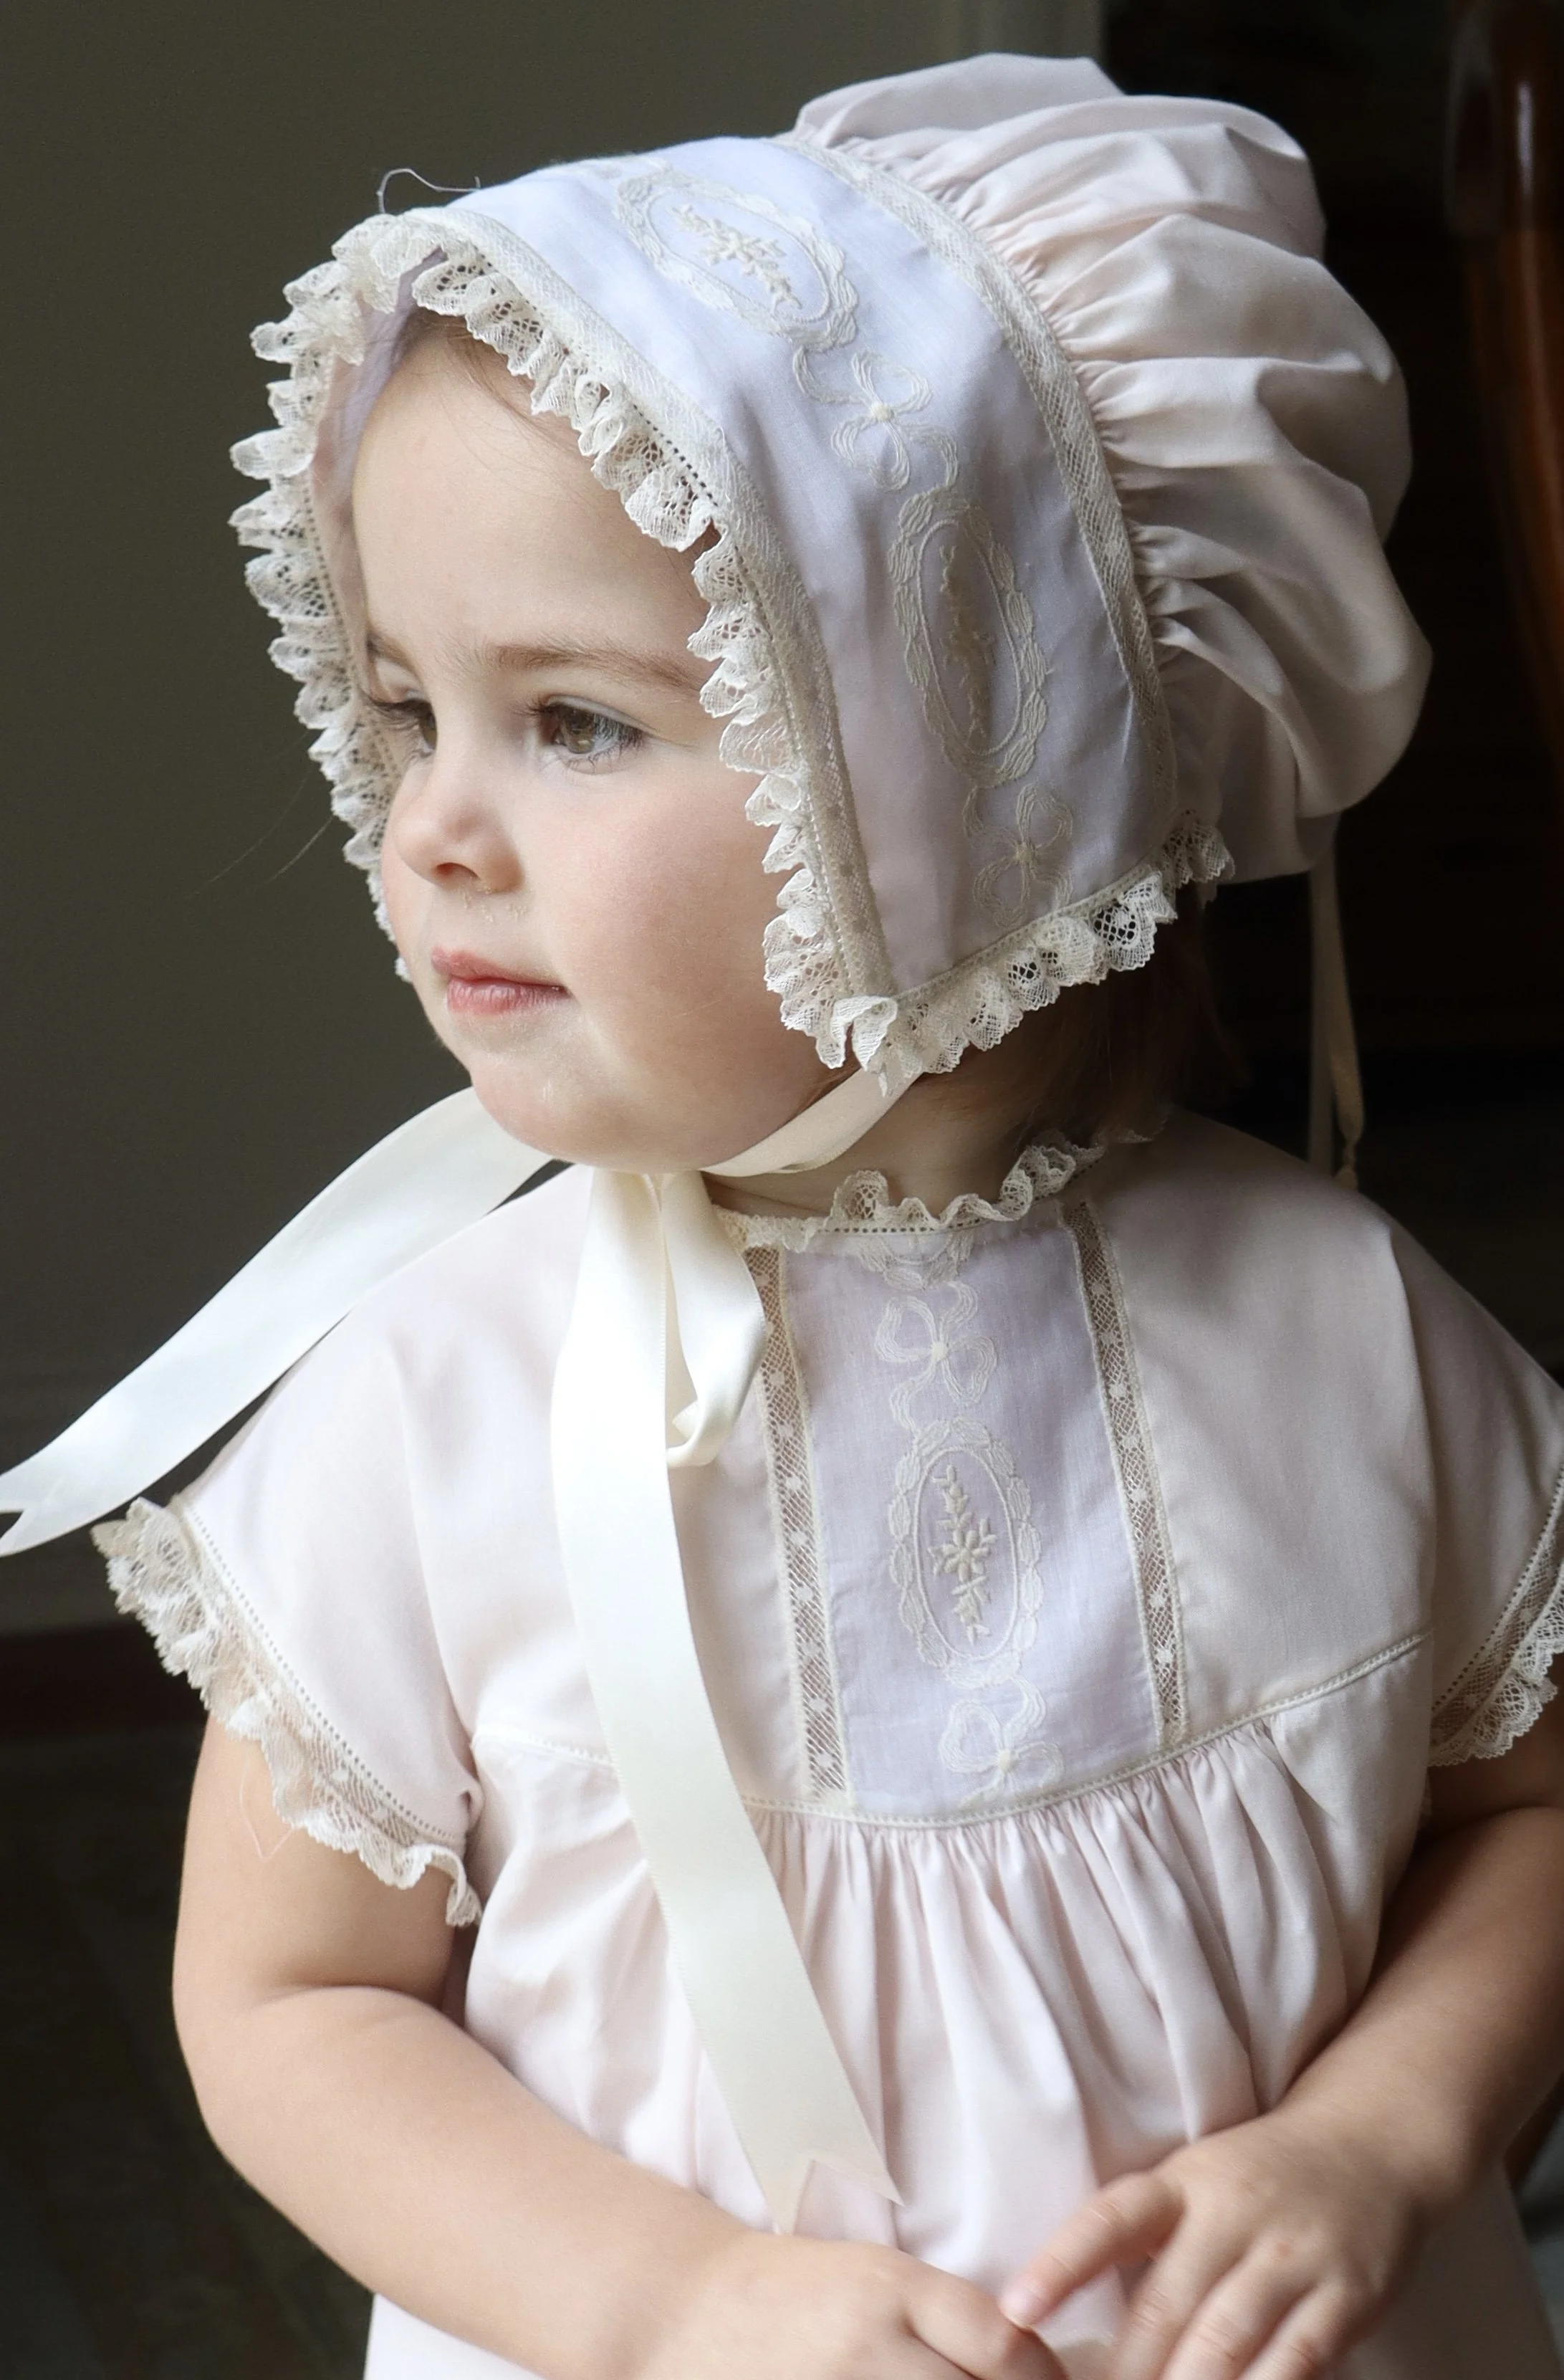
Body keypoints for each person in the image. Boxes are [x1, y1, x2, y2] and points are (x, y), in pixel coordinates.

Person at [12, 49, 1564, 2380]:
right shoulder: (439, 1398)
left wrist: (1381, 2140)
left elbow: (1529, 1816)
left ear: (967, 785)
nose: (429, 823)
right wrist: (673, 2302)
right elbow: (289, 2000)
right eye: (401, 705)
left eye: (578, 720)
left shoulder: (1339, 1324)